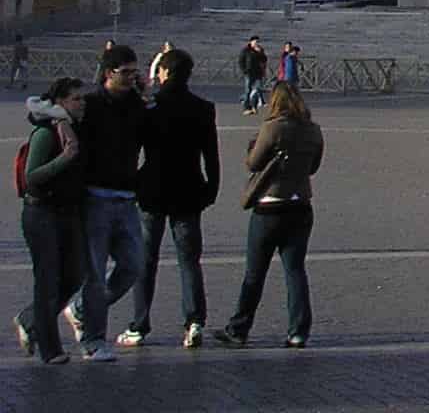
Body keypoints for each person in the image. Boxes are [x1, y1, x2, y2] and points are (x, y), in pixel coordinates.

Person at [211, 81, 324, 348]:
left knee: (255, 272)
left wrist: (251, 149)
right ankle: (298, 331)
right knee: (295, 271)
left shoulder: (272, 128)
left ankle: (239, 328)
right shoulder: (314, 130)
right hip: (301, 205)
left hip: (270, 206)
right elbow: (313, 168)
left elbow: (254, 163)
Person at [120, 48, 218, 349]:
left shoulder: (150, 107)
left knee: (146, 260)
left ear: (163, 72)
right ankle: (194, 321)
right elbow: (211, 155)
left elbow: (131, 150)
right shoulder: (203, 107)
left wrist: (132, 183)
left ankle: (139, 325)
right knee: (189, 261)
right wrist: (211, 188)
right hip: (189, 189)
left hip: (152, 191)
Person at [70, 43, 147, 358]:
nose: (131, 78)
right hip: (95, 197)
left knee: (133, 265)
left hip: (127, 198)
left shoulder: (138, 106)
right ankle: (93, 341)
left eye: (134, 72)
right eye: (125, 73)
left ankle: (79, 309)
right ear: (107, 73)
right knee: (95, 275)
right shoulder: (90, 105)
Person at [15, 78, 92, 364]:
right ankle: (51, 350)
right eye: (75, 99)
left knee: (74, 274)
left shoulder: (74, 129)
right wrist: (67, 157)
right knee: (47, 280)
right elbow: (32, 178)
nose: (81, 103)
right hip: (42, 213)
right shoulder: (47, 133)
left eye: (82, 98)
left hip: (68, 212)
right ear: (59, 103)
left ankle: (30, 319)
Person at [237, 36, 267, 114]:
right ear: (251, 42)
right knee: (248, 90)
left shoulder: (260, 50)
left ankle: (254, 106)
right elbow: (241, 60)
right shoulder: (246, 50)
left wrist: (260, 53)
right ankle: (246, 108)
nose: (257, 43)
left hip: (258, 73)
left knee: (258, 89)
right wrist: (244, 70)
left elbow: (264, 60)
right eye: (255, 42)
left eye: (258, 42)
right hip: (249, 73)